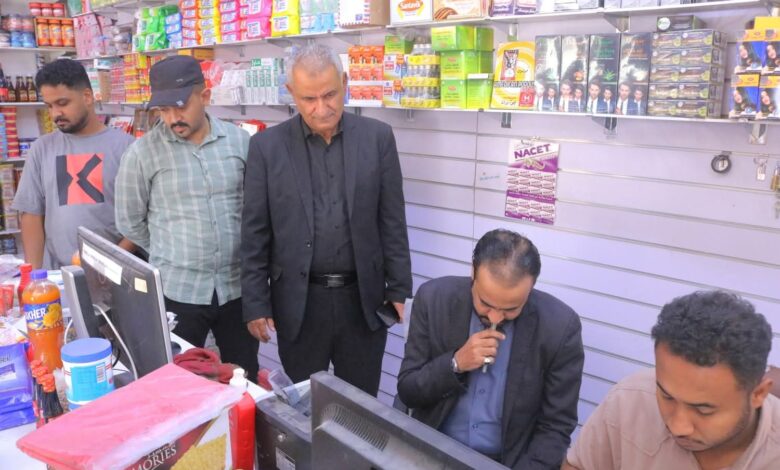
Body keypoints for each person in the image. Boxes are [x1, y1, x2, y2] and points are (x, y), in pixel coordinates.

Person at [241, 43, 412, 396]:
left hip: (363, 301)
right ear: (291, 93)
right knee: (304, 403)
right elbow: (255, 232)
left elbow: (392, 219)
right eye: (309, 99)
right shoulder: (266, 148)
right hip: (298, 303)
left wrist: (398, 288)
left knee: (360, 405)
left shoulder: (377, 138)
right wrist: (255, 303)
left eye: (331, 94)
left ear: (345, 82)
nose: (322, 108)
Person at [114, 55, 258, 379]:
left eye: (180, 106)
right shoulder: (142, 154)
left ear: (204, 96)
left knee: (243, 376)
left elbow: (253, 209)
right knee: (179, 381)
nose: (172, 118)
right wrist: (172, 250)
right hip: (178, 291)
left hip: (236, 288)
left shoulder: (240, 142)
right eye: (163, 110)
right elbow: (130, 221)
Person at [397, 229, 584, 468]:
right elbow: (408, 390)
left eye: (511, 309)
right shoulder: (434, 298)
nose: (495, 317)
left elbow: (556, 426)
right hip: (434, 450)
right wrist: (455, 363)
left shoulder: (559, 328)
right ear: (473, 272)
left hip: (507, 462)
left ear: (531, 287)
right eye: (485, 303)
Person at [564, 290, 780, 470]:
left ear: (758, 393)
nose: (677, 427)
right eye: (666, 396)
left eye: (703, 410)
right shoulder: (629, 400)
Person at [12, 59, 134, 269]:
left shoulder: (127, 147)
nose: (55, 114)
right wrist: (34, 275)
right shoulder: (42, 148)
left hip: (116, 273)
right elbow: (31, 214)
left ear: (87, 97)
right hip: (59, 273)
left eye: (62, 103)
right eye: (49, 106)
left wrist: (111, 264)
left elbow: (141, 221)